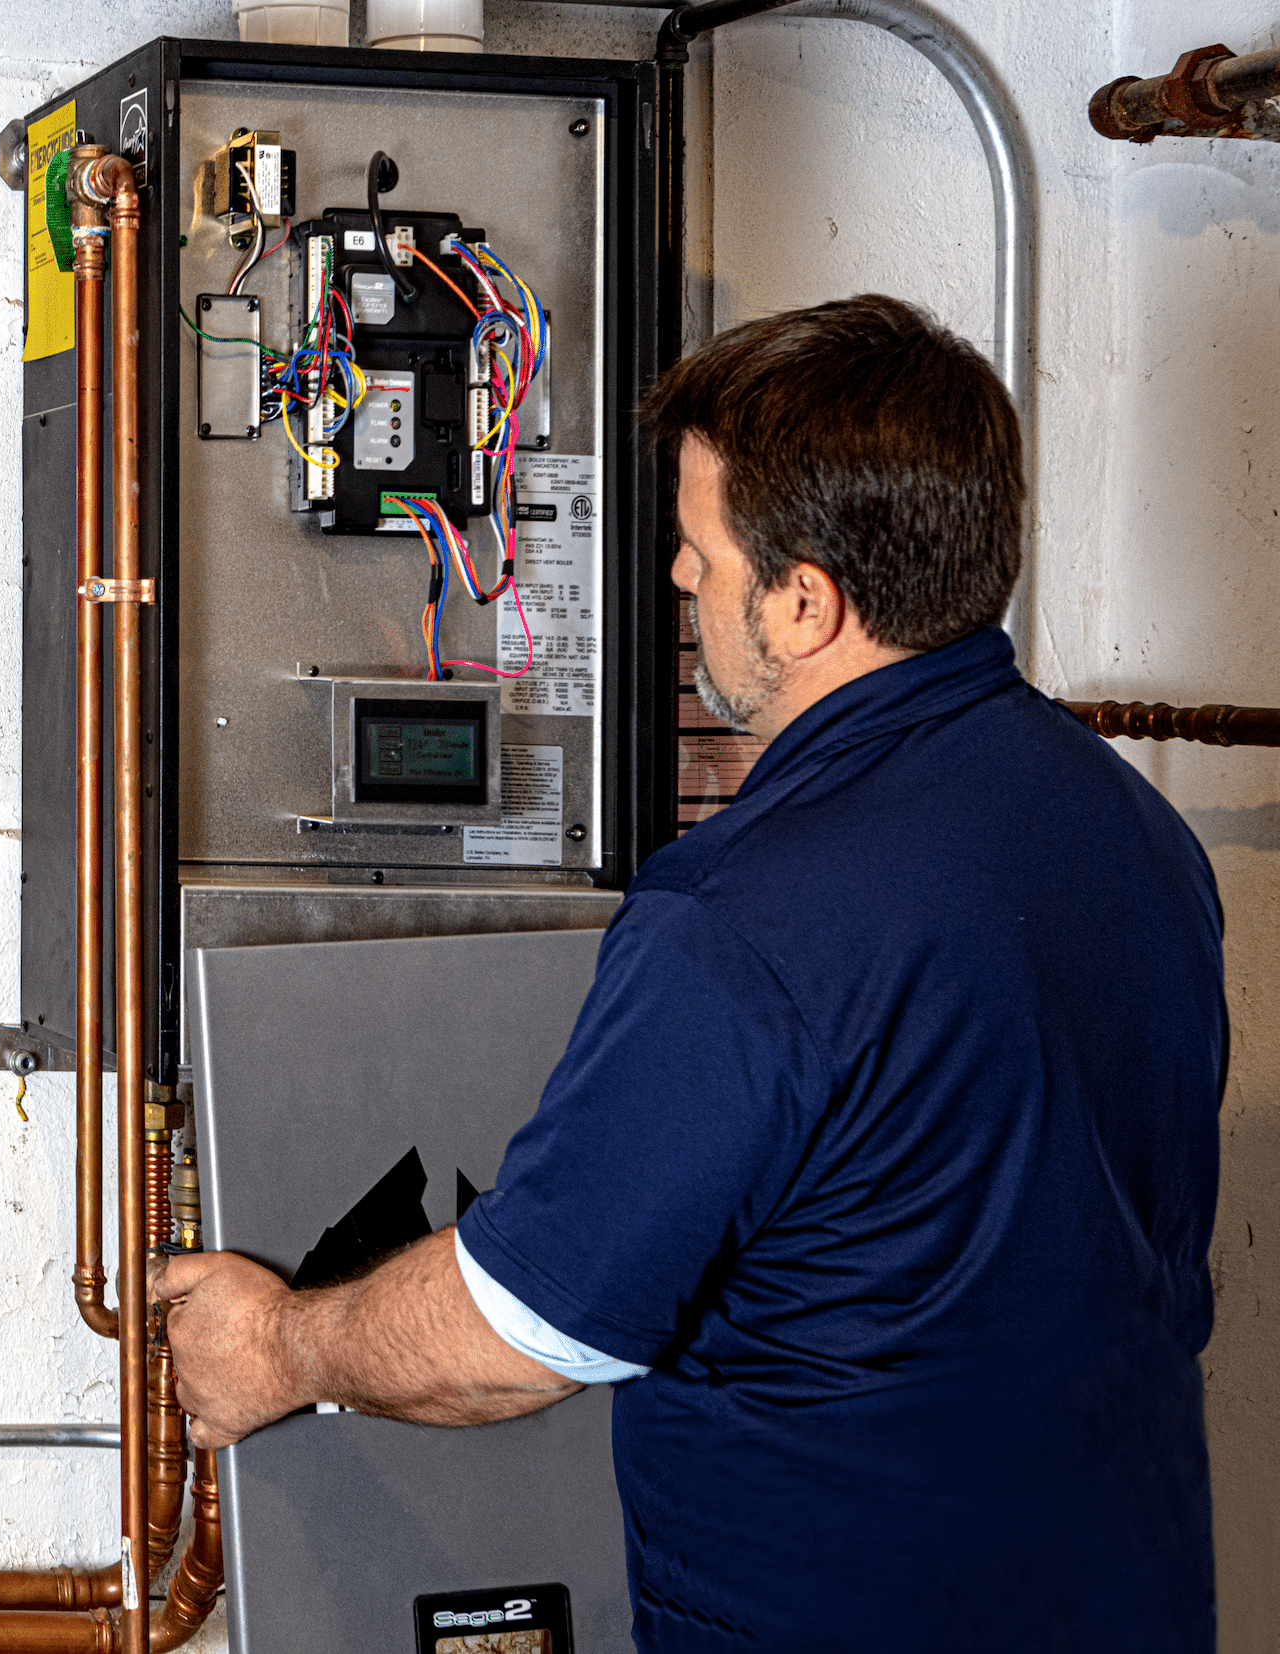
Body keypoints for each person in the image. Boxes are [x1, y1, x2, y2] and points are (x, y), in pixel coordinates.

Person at [152, 294, 1225, 1652]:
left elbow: (524, 1323)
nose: (673, 577)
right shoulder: (1136, 839)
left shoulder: (745, 919)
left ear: (806, 600)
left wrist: (280, 1347)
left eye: (700, 549)